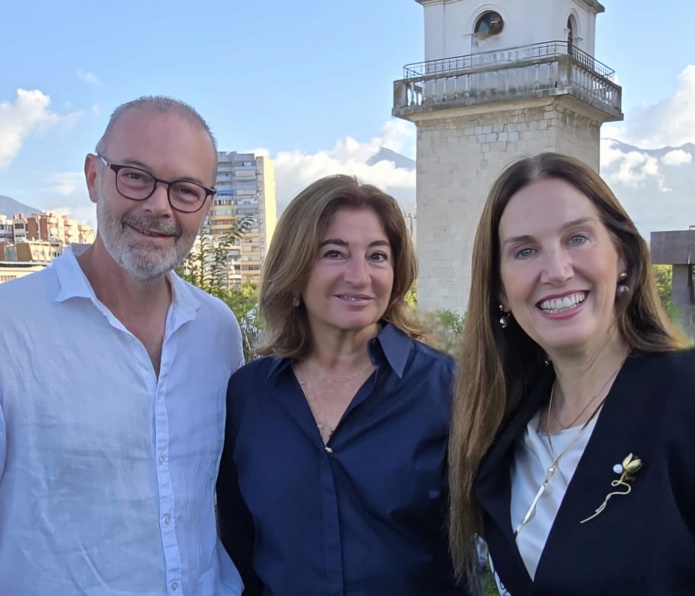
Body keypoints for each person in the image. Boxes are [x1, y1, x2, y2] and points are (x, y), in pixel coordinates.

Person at [0, 97, 245, 595]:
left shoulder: (218, 331)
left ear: (206, 204)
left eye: (185, 189)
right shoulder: (10, 328)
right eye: (135, 176)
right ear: (94, 177)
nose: (159, 205)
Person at [448, 152, 695, 595]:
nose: (558, 271)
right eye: (525, 251)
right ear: (500, 290)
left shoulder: (686, 395)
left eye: (577, 238)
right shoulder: (500, 431)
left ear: (624, 257)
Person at [217, 175, 472, 595]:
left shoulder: (446, 390)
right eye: (334, 253)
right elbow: (239, 547)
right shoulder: (247, 397)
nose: (359, 276)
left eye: (377, 256)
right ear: (295, 270)